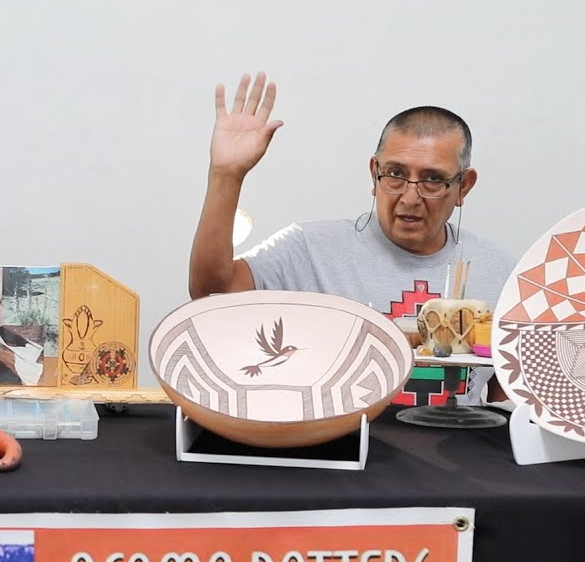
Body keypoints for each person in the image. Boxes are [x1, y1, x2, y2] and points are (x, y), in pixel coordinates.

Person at [188, 73, 516, 404]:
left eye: (433, 179)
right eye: (396, 175)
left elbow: (503, 400)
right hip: (343, 445)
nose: (410, 197)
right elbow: (213, 293)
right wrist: (226, 176)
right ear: (374, 174)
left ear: (464, 186)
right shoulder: (311, 248)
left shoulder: (501, 273)